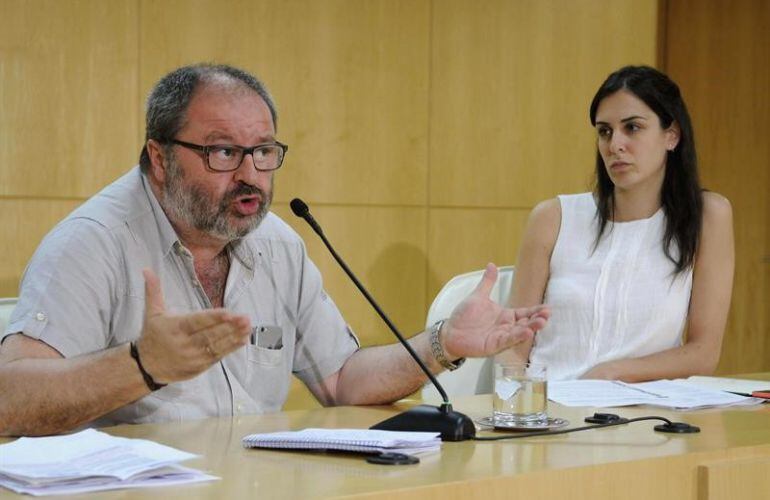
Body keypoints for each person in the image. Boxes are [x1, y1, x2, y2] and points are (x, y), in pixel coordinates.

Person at [0, 63, 549, 437]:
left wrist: (441, 341)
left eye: (263, 151)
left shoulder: (277, 244)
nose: (250, 176)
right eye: (222, 152)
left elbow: (341, 380)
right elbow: (10, 398)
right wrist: (140, 366)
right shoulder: (93, 243)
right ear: (159, 157)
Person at [509, 65, 733, 381]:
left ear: (671, 136)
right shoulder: (552, 217)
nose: (615, 145)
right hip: (549, 411)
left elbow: (703, 352)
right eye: (605, 131)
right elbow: (514, 344)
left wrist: (609, 373)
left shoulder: (709, 215)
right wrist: (517, 409)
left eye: (633, 128)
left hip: (645, 414)